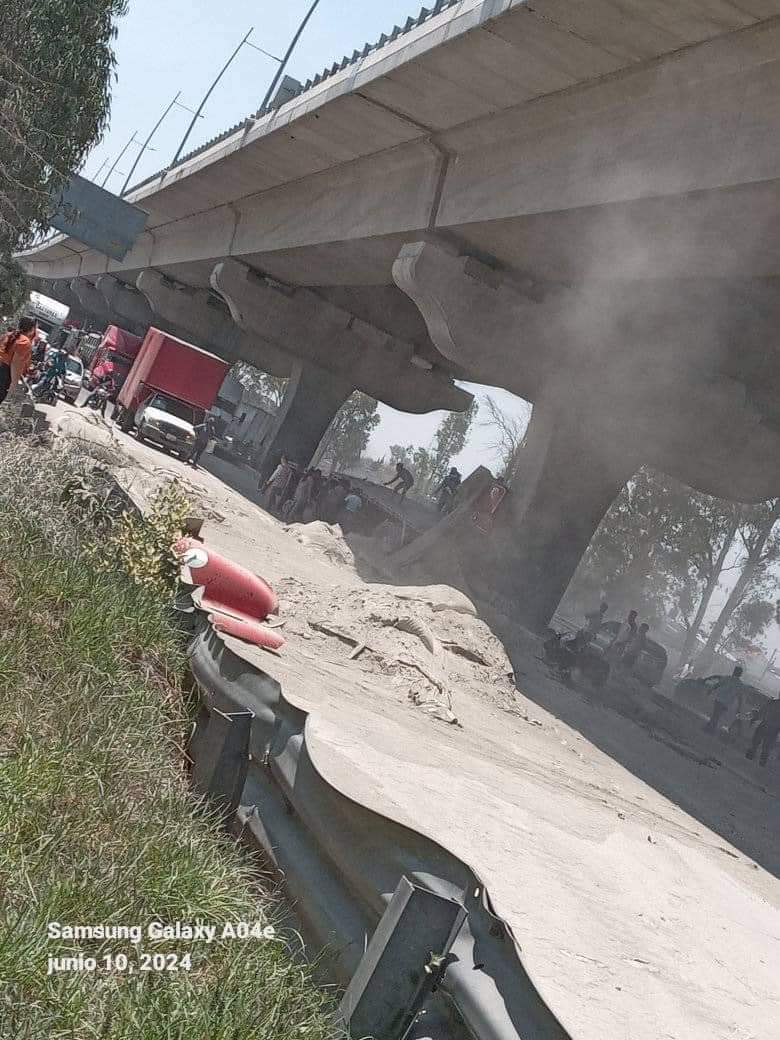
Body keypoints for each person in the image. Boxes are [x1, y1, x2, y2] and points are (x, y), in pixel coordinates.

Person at [0, 317, 37, 404]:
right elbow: (15, 363)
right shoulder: (25, 342)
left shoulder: (8, 335)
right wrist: (14, 383)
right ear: (32, 329)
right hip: (4, 372)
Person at [704, 665, 745, 734]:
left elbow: (717, 685)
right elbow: (740, 697)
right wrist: (739, 708)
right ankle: (710, 728)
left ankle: (710, 729)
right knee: (717, 715)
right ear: (740, 674)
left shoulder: (727, 678)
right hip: (727, 703)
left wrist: (710, 690)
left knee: (715, 715)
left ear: (734, 671)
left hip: (719, 699)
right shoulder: (740, 684)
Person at [745, 696, 780, 767]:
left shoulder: (772, 702)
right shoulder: (772, 702)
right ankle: (761, 762)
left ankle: (750, 757)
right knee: (765, 746)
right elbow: (763, 711)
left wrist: (755, 718)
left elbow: (762, 711)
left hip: (766, 725)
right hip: (773, 729)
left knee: (756, 742)